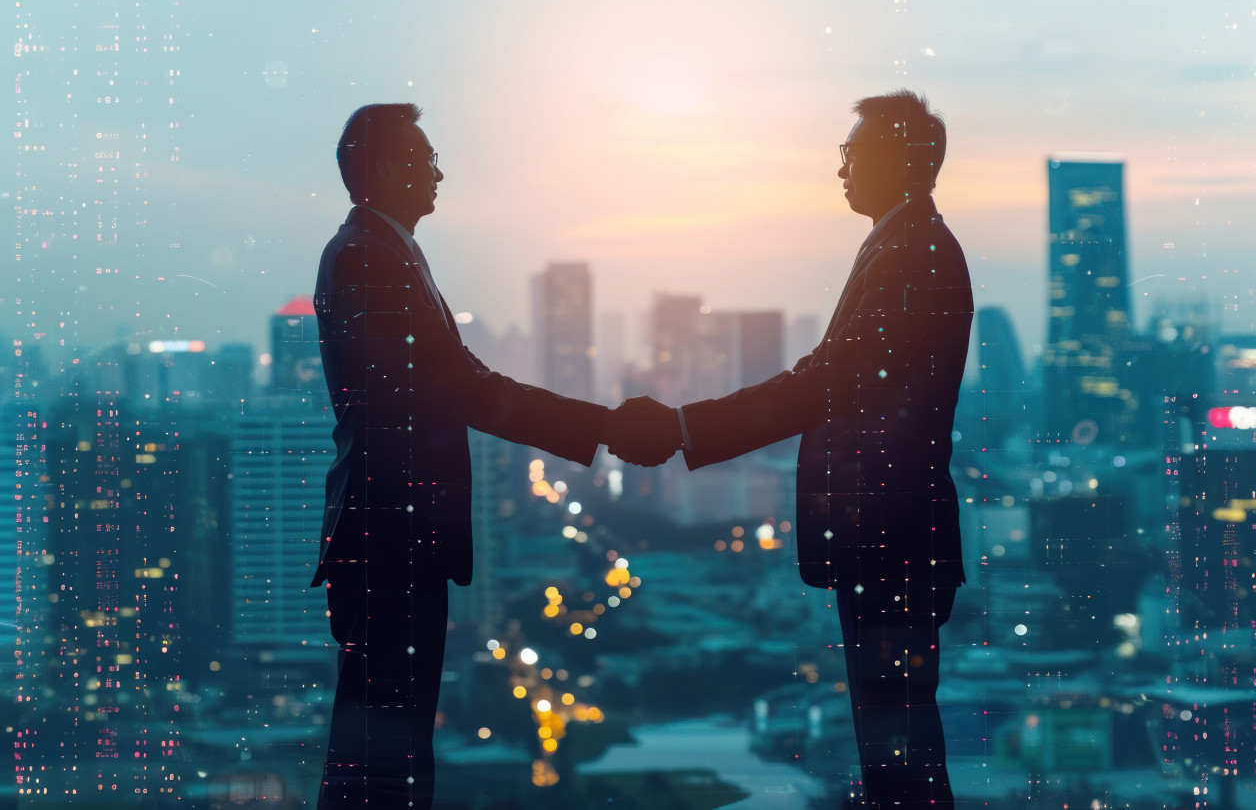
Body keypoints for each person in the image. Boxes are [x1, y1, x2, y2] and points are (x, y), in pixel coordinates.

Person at [612, 90, 973, 810]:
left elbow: (826, 383)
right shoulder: (903, 245)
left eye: (853, 152)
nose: (840, 169)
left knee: (897, 749)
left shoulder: (911, 254)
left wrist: (684, 427)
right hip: (890, 535)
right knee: (894, 740)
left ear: (901, 160)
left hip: (889, 537)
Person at [311, 103, 626, 809]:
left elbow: (452, 382)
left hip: (393, 533)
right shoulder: (368, 256)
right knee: (381, 750)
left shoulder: (384, 251)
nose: (439, 172)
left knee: (387, 740)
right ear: (387, 167)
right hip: (389, 534)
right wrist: (602, 425)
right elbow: (459, 386)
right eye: (424, 159)